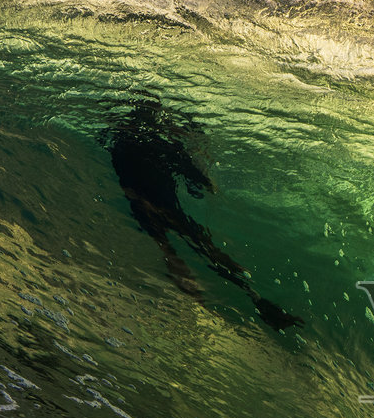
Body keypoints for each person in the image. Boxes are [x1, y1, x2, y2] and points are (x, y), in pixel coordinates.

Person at [107, 100, 302, 331]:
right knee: (206, 248)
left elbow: (124, 176)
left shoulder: (122, 141)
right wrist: (204, 177)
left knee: (169, 249)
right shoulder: (164, 144)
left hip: (144, 204)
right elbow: (194, 179)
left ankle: (200, 302)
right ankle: (253, 296)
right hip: (166, 205)